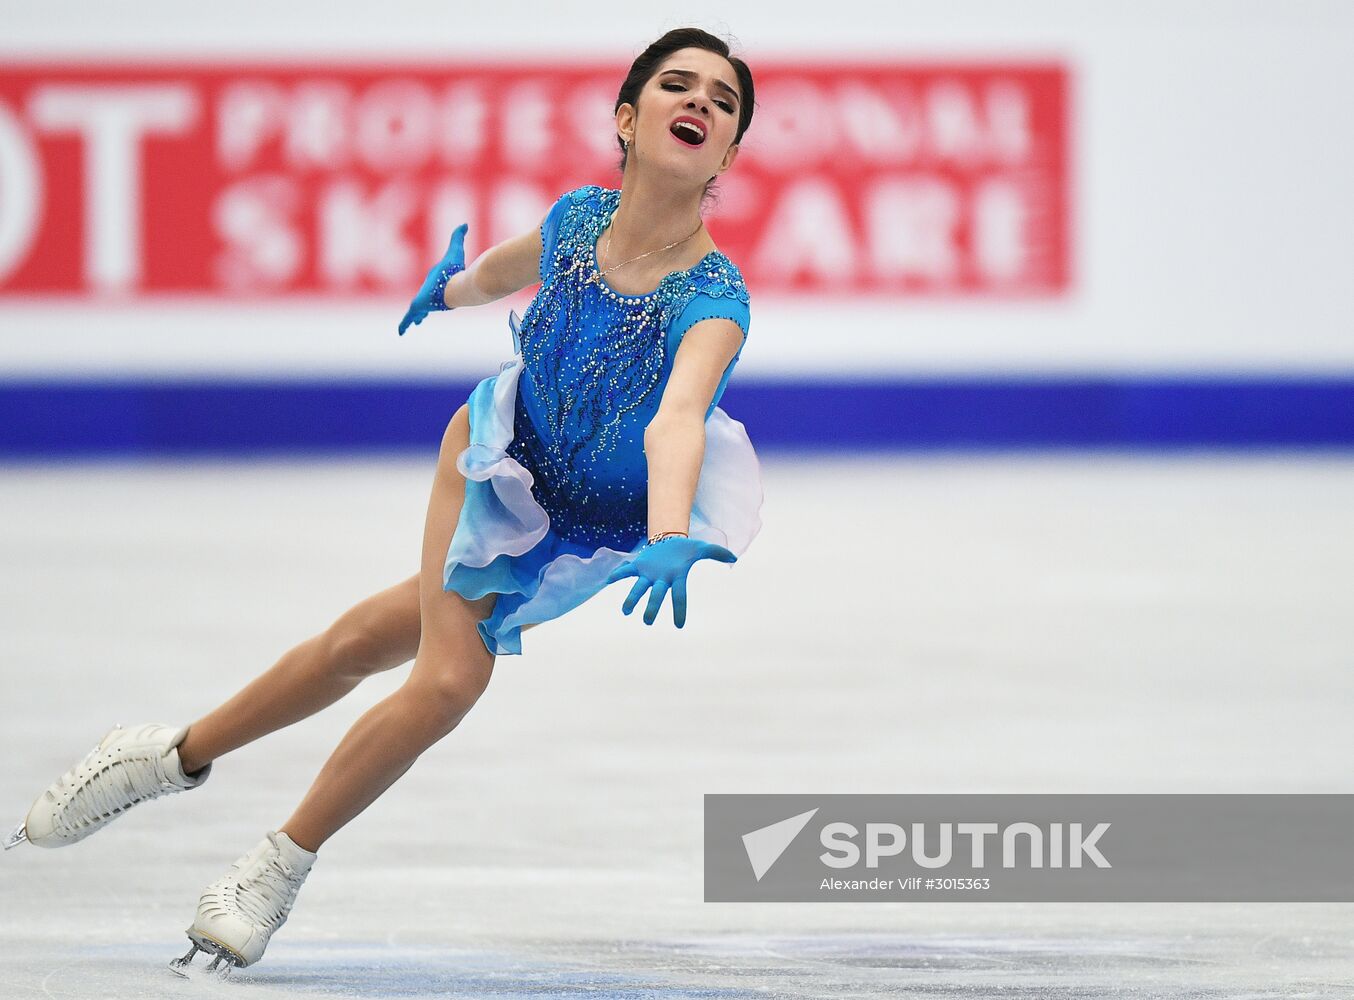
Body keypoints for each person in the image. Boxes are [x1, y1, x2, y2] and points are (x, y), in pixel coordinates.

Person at [4, 27, 761, 976]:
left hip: (582, 524)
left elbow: (678, 418)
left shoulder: (715, 296)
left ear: (729, 151)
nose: (698, 103)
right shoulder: (576, 223)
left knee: (366, 642)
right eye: (677, 86)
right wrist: (447, 289)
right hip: (495, 465)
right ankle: (273, 869)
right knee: (450, 679)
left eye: (722, 101)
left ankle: (163, 754)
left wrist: (667, 529)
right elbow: (498, 272)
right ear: (627, 116)